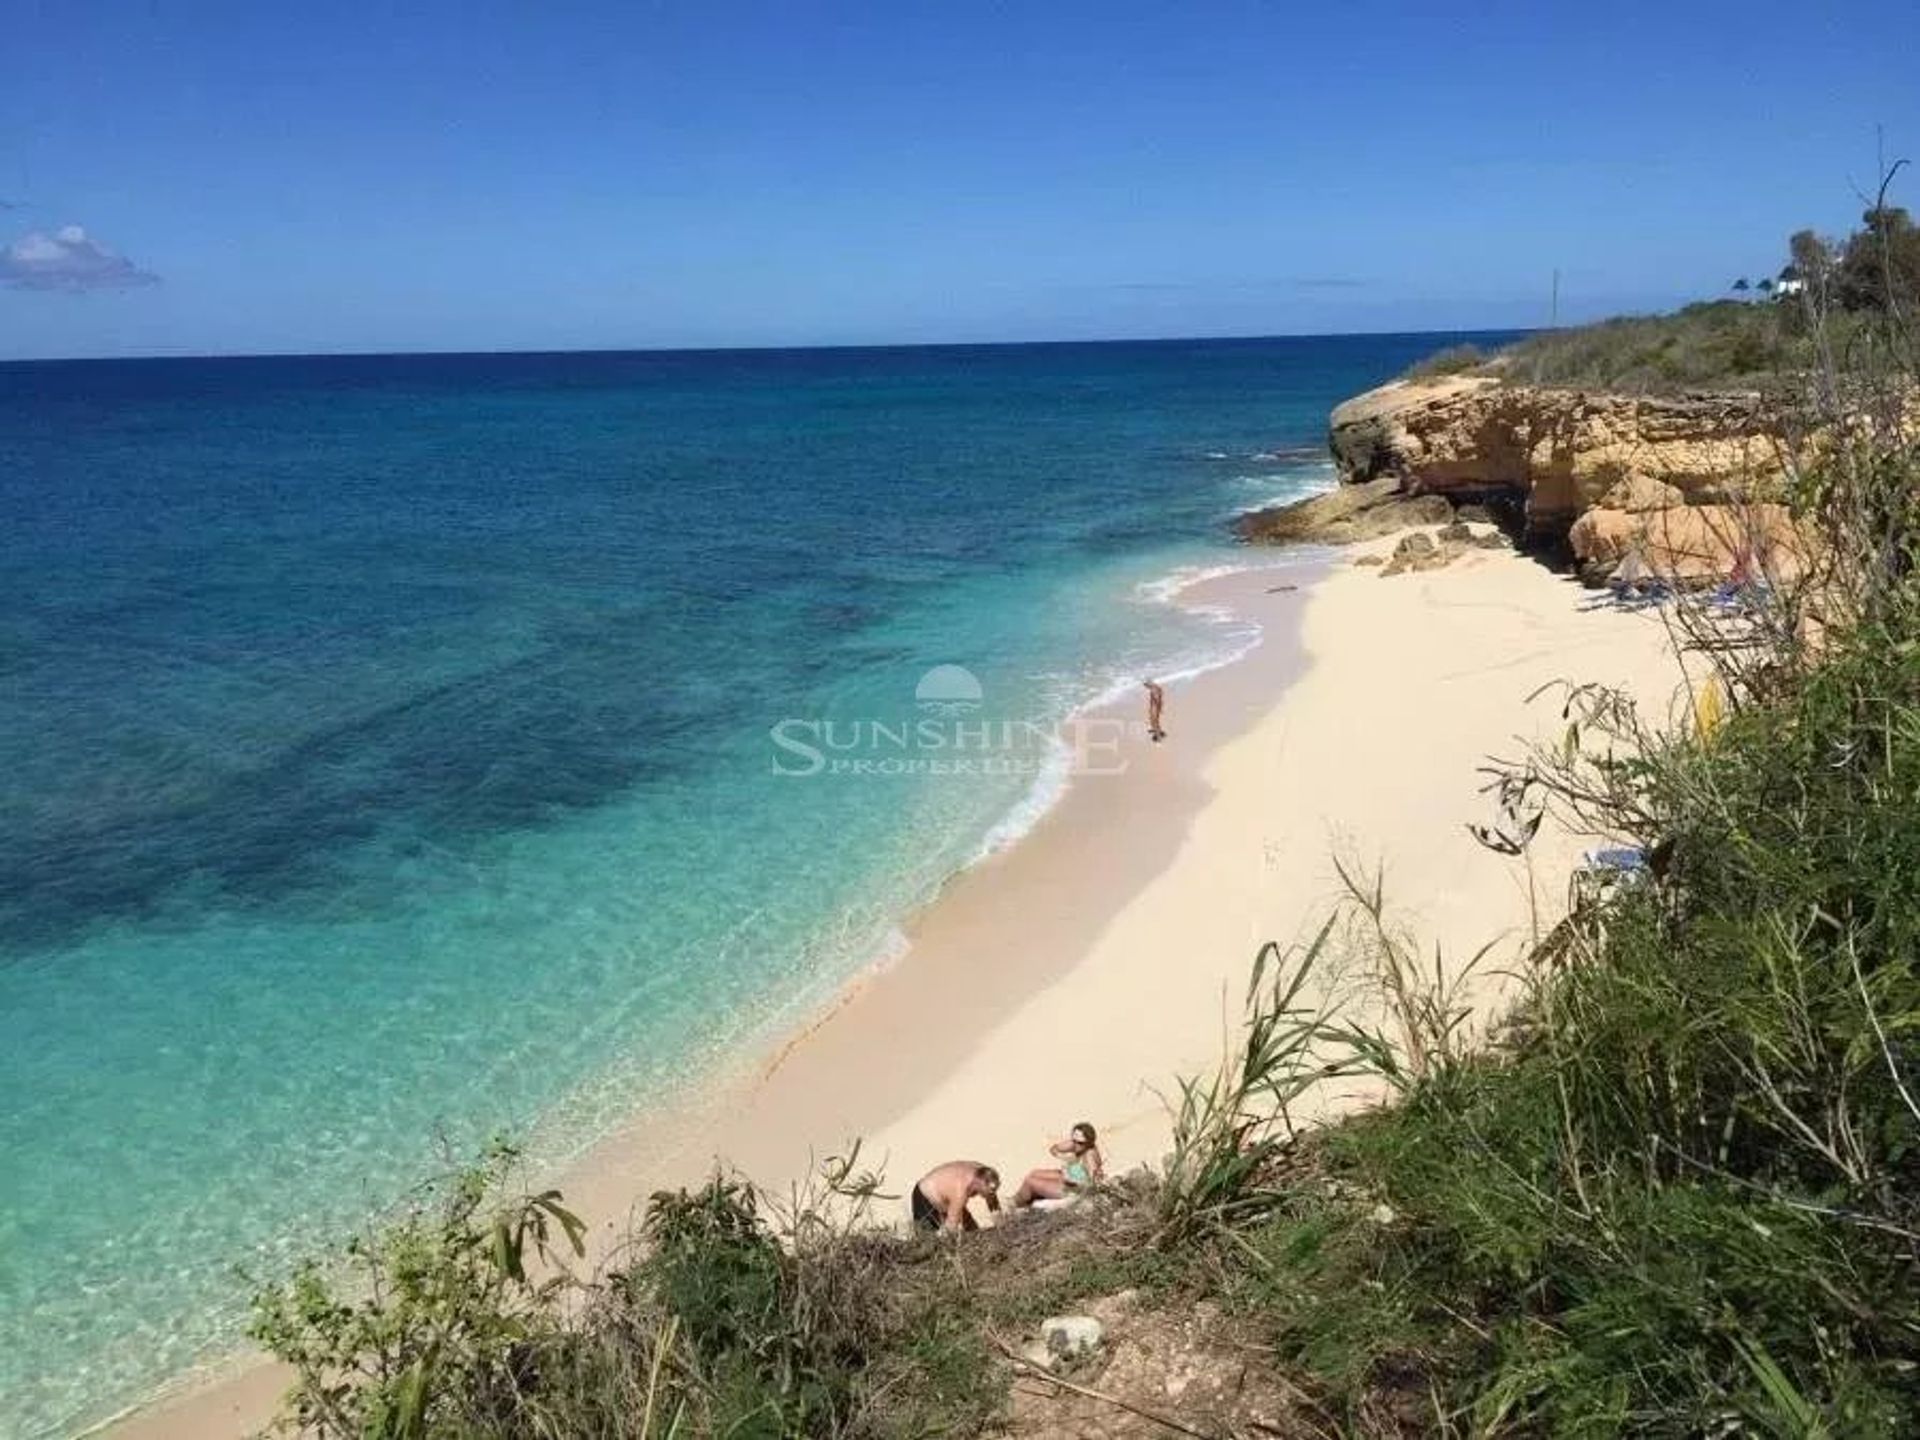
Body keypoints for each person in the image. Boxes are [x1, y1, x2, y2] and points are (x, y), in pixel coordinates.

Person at [1011, 1122, 1103, 1208]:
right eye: (1074, 1140)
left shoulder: (1090, 1156)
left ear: (1088, 1143)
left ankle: (1013, 1204)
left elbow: (1093, 1185)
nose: (1076, 1145)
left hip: (1075, 1190)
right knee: (1033, 1173)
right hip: (1068, 1177)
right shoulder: (1076, 1146)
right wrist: (1064, 1157)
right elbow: (1054, 1149)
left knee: (1030, 1182)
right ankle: (1023, 1198)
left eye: (1080, 1143)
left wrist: (1073, 1181)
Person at [910, 1160, 1001, 1233]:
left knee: (972, 1228)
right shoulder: (960, 1191)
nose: (992, 1194)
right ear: (979, 1184)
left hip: (945, 1194)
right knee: (925, 1238)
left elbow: (992, 1198)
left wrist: (1000, 1224)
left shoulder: (984, 1173)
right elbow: (951, 1226)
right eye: (990, 1192)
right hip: (924, 1196)